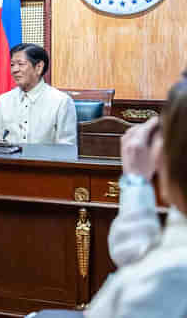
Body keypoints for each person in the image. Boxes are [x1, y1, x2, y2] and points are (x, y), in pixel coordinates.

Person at [28, 76, 187, 318]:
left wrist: (136, 178)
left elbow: (128, 282)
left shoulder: (168, 276)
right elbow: (136, 251)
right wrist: (136, 183)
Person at [0, 43, 77, 145]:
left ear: (39, 67)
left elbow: (66, 147)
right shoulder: (3, 101)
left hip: (45, 160)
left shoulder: (61, 102)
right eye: (12, 65)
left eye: (21, 64)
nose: (14, 70)